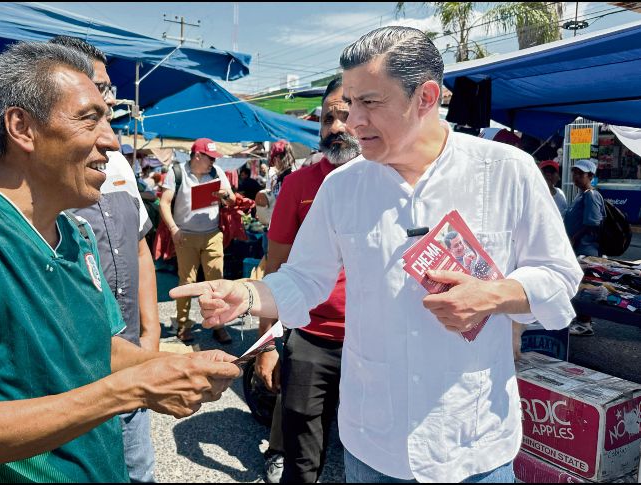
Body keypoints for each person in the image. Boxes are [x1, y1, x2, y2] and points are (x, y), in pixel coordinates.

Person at [170, 26, 583, 483]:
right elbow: (306, 279)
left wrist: (497, 295)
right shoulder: (342, 186)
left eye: (369, 102)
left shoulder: (506, 172)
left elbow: (559, 276)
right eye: (349, 103)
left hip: (472, 439)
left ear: (425, 96)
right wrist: (247, 296)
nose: (351, 122)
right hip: (374, 441)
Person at [0, 41, 240, 483]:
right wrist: (132, 389)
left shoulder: (77, 233)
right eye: (90, 118)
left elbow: (97, 348)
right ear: (22, 128)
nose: (111, 141)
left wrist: (170, 365)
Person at [50, 35, 160, 484]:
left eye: (109, 91)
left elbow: (138, 247)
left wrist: (151, 339)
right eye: (98, 91)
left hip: (129, 355)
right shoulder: (14, 178)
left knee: (138, 472)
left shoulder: (115, 163)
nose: (110, 101)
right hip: (67, 378)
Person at [256, 76, 362, 484]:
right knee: (301, 461)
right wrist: (267, 345)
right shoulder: (298, 185)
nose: (334, 127)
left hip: (371, 342)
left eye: (345, 115)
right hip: (311, 339)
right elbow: (275, 267)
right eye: (326, 118)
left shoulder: (389, 181)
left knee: (371, 456)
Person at [158, 138, 236, 344]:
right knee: (187, 282)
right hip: (185, 236)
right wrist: (174, 229)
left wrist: (225, 195)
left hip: (212, 235)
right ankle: (183, 325)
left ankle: (218, 324)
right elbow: (164, 203)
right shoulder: (177, 172)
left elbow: (232, 200)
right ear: (197, 156)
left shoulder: (217, 173)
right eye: (210, 158)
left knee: (217, 282)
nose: (213, 162)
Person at [564, 158, 605, 337]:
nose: (576, 176)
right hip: (579, 249)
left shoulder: (591, 195)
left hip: (586, 250)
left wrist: (574, 237)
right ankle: (581, 318)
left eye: (581, 174)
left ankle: (585, 323)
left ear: (590, 176)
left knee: (586, 286)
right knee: (580, 285)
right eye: (575, 172)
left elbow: (593, 222)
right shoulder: (582, 194)